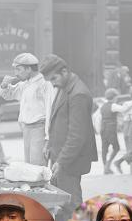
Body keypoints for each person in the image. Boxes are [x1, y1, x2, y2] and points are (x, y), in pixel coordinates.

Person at [40, 54, 97, 209]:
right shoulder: (66, 87)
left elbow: (77, 136)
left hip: (70, 161)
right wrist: (49, 144)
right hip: (61, 156)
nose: (52, 84)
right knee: (61, 201)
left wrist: (61, 161)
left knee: (71, 202)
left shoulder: (78, 94)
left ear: (64, 71)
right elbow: (59, 121)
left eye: (53, 79)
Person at [0, 53, 56, 166]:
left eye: (19, 70)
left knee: (37, 168)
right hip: (26, 129)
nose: (16, 73)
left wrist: (48, 138)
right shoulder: (25, 84)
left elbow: (50, 110)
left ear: (29, 69)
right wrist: (4, 85)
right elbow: (8, 95)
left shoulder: (44, 84)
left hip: (39, 128)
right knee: (29, 168)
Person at [100, 88, 132, 174]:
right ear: (114, 97)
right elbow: (124, 109)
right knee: (116, 148)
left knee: (104, 149)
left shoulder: (103, 106)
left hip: (103, 128)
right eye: (116, 97)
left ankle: (105, 167)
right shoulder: (113, 105)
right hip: (110, 129)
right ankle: (108, 165)